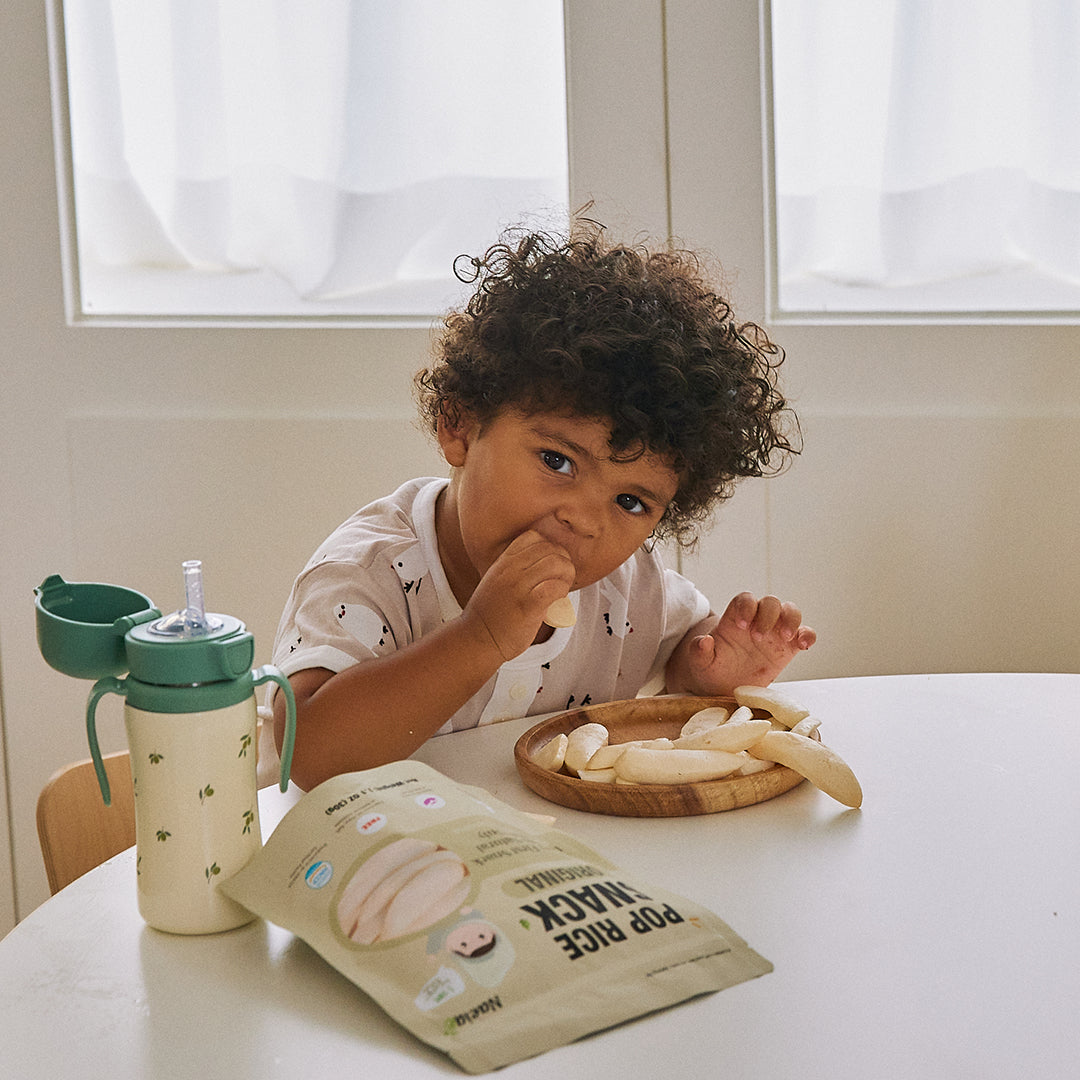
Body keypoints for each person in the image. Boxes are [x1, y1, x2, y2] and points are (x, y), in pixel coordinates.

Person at [271, 221, 815, 790]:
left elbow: (678, 647)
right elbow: (305, 756)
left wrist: (709, 672)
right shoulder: (368, 573)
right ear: (459, 425)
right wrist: (480, 636)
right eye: (557, 461)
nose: (584, 519)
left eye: (630, 501)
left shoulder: (627, 588)